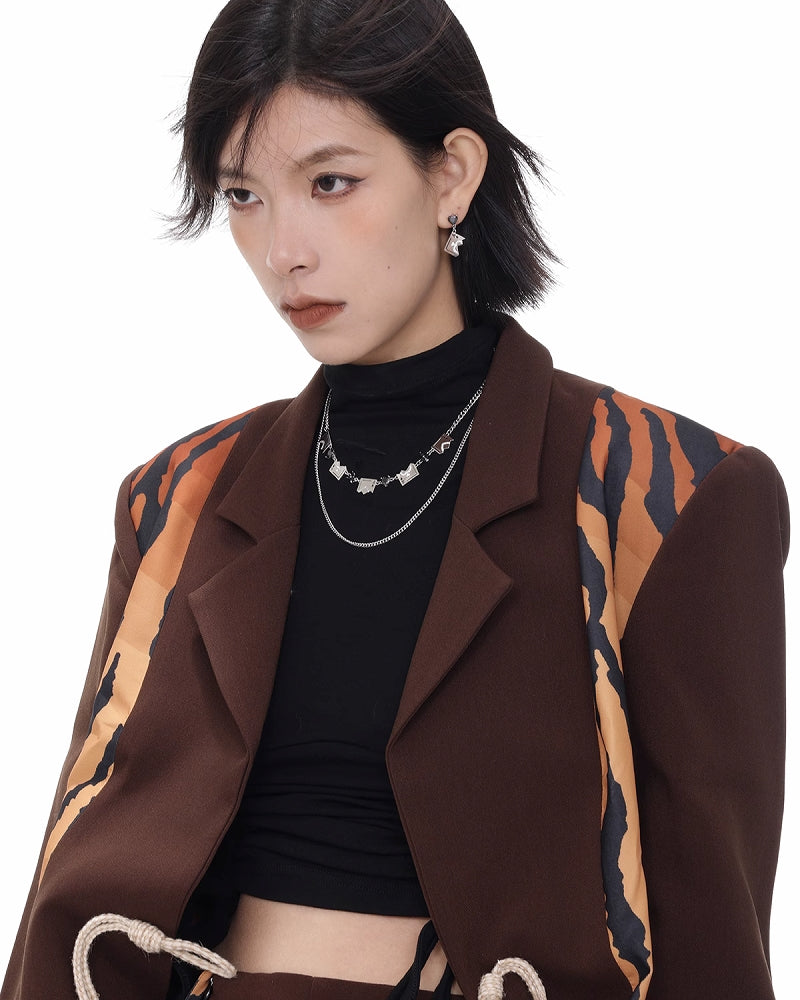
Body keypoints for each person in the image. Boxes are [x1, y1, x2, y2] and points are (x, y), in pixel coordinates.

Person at [1, 1, 789, 999]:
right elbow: (75, 846)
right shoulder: (180, 496)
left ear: (450, 173)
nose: (284, 250)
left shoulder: (660, 495)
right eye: (242, 196)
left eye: (330, 183)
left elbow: (714, 939)